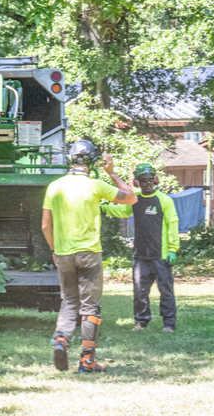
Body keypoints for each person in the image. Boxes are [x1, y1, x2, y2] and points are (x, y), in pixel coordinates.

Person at [41, 139, 137, 373]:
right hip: (89, 253)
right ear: (93, 162)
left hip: (64, 254)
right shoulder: (96, 185)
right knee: (90, 306)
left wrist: (54, 250)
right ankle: (87, 361)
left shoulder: (54, 187)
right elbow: (131, 198)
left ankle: (61, 340)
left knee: (69, 301)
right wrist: (112, 173)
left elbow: (45, 225)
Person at [101, 163, 179, 332]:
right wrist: (102, 208)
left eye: (150, 179)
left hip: (161, 255)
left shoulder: (164, 200)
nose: (147, 183)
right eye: (143, 180)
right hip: (140, 256)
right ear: (137, 182)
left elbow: (172, 224)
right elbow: (122, 211)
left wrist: (173, 249)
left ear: (155, 180)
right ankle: (141, 322)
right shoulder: (134, 200)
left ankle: (169, 324)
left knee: (166, 291)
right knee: (140, 292)